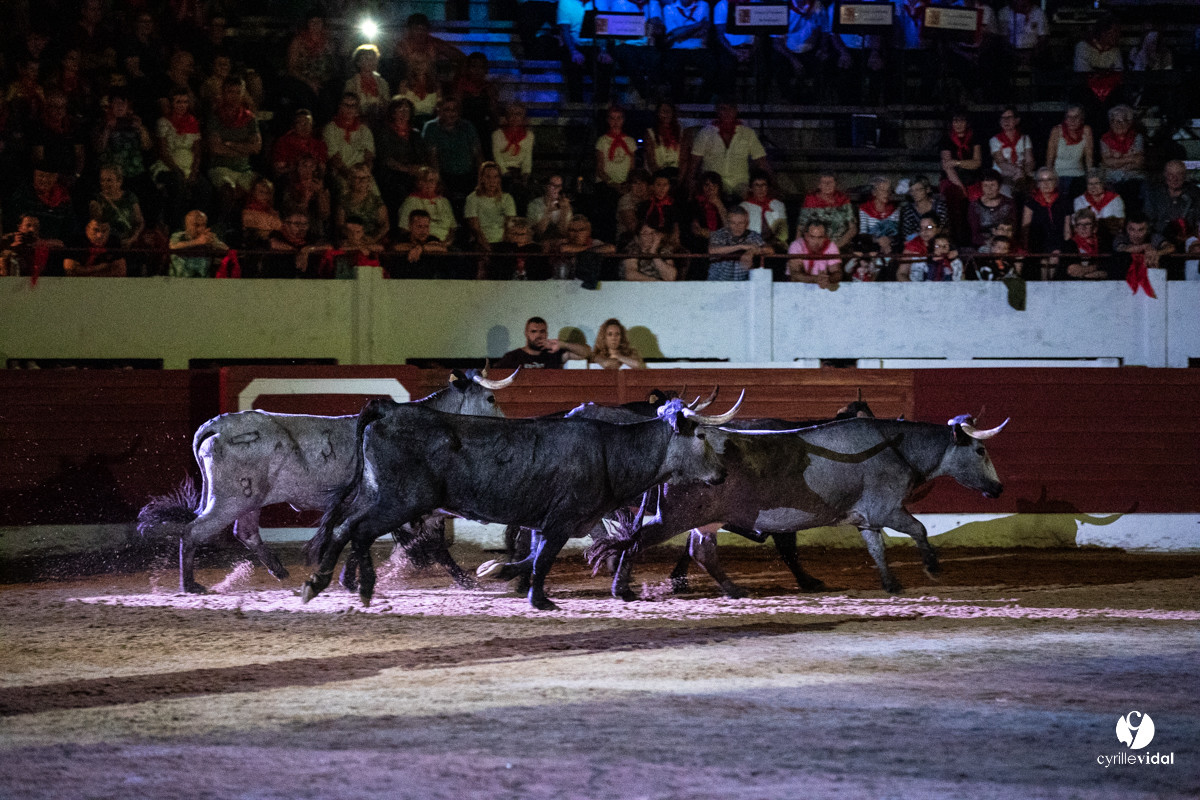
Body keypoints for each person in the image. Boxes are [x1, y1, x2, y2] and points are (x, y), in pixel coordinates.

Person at [151, 88, 206, 228]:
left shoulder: (193, 122)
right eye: (178, 102)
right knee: (177, 184)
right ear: (172, 104)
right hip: (167, 168)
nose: (182, 105)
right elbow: (163, 152)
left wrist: (194, 172)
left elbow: (197, 152)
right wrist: (177, 170)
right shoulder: (163, 122)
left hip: (188, 168)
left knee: (205, 188)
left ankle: (198, 227)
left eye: (185, 102)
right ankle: (176, 226)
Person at [690, 102, 770, 199]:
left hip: (740, 181)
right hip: (713, 181)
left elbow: (761, 160)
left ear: (736, 111)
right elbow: (694, 162)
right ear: (718, 111)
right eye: (723, 108)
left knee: (750, 198)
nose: (727, 112)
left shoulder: (747, 133)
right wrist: (691, 181)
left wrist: (773, 184)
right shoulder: (705, 133)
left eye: (731, 108)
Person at [206, 76, 261, 197]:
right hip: (220, 168)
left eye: (238, 92)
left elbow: (256, 147)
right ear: (223, 93)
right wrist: (244, 150)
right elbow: (215, 148)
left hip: (244, 170)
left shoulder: (249, 118)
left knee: (262, 189)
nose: (234, 96)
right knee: (228, 191)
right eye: (231, 92)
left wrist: (230, 144)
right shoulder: (215, 116)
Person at [422, 98, 483, 204]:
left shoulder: (467, 126)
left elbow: (477, 153)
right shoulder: (431, 127)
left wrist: (481, 178)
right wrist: (439, 180)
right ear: (439, 110)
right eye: (447, 110)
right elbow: (432, 156)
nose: (451, 113)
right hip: (444, 175)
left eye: (454, 110)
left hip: (467, 175)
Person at [376, 98, 428, 210]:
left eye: (407, 109)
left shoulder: (415, 133)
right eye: (400, 109)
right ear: (393, 113)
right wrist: (406, 169)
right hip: (394, 175)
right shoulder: (385, 133)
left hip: (414, 173)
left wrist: (419, 169)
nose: (404, 112)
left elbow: (422, 156)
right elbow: (386, 159)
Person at [1022, 167, 1073, 281]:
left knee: (1055, 258)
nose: (1045, 183)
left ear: (1056, 182)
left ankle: (1052, 287)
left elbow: (1067, 229)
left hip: (1058, 242)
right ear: (1037, 184)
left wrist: (1064, 247)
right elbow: (1025, 229)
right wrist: (1026, 248)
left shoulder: (1064, 201)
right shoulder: (1031, 202)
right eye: (1041, 180)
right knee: (1043, 261)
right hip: (1038, 242)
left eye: (1049, 179)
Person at [659, 0, 714, 102]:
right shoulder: (669, 8)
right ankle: (679, 100)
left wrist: (682, 33)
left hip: (698, 48)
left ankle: (702, 101)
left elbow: (705, 30)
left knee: (712, 65)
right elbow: (673, 33)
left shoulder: (703, 5)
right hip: (677, 48)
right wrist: (696, 26)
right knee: (672, 66)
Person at [323, 93, 375, 195]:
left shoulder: (364, 130)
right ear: (340, 107)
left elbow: (369, 157)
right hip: (342, 174)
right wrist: (351, 178)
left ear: (357, 109)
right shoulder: (330, 129)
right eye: (346, 105)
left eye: (353, 106)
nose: (350, 109)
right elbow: (335, 159)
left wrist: (364, 176)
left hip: (363, 175)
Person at [464, 161, 517, 256]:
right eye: (488, 177)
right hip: (481, 241)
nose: (492, 181)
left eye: (495, 177)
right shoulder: (472, 198)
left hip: (502, 241)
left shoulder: (507, 198)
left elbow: (509, 224)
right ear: (482, 178)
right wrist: (486, 246)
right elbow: (475, 228)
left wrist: (504, 244)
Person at [495, 317, 591, 369]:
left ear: (546, 334)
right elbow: (494, 376)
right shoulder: (512, 357)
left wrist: (562, 344)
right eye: (533, 331)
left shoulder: (554, 354)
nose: (538, 335)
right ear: (526, 333)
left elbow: (586, 354)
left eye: (542, 331)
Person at [1142, 160, 1200, 243]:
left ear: (1185, 175)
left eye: (1179, 174)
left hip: (1189, 238)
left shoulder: (1195, 194)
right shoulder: (1154, 194)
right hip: (1160, 238)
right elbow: (1148, 219)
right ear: (1165, 175)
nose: (1175, 178)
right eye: (1170, 174)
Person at [398, 167, 459, 245]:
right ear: (418, 183)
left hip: (444, 245)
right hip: (421, 244)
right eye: (424, 181)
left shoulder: (444, 201)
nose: (428, 184)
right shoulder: (411, 201)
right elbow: (404, 229)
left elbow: (453, 228)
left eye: (432, 181)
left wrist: (445, 244)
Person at [708, 206, 771, 281]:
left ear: (747, 223)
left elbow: (770, 250)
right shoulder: (719, 234)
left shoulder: (753, 235)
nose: (737, 227)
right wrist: (741, 247)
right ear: (728, 223)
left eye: (741, 223)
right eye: (733, 223)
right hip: (718, 282)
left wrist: (752, 252)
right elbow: (712, 250)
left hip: (743, 284)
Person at [90, 165, 145, 250]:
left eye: (109, 180)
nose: (105, 184)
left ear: (119, 181)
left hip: (129, 242)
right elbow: (96, 226)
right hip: (108, 245)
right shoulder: (97, 199)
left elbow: (139, 222)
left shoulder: (129, 197)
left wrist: (132, 239)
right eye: (102, 180)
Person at [798, 172, 856, 250]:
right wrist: (797, 249)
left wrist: (836, 246)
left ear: (836, 184)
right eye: (824, 182)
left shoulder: (843, 199)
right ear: (819, 185)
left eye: (830, 182)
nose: (827, 185)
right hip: (815, 247)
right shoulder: (811, 199)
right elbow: (801, 226)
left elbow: (852, 228)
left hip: (840, 246)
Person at [335, 165, 390, 248]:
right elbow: (340, 225)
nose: (362, 181)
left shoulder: (376, 201)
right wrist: (355, 238)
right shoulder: (344, 201)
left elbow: (385, 225)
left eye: (364, 178)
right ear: (351, 180)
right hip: (350, 241)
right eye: (357, 178)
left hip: (372, 241)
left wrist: (372, 239)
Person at [1099, 105, 1145, 203]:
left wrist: (1117, 159)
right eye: (1114, 121)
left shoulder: (1137, 137)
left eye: (1121, 121)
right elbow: (1107, 162)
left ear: (1128, 122)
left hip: (1133, 177)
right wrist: (1129, 157)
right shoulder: (1105, 139)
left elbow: (1138, 162)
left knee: (1133, 190)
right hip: (1111, 179)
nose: (1117, 124)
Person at [1045, 105, 1093, 198]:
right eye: (1069, 117)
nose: (1072, 120)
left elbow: (1089, 158)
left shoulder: (1087, 130)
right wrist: (1050, 179)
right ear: (1065, 119)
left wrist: (1090, 178)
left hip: (1078, 176)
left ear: (1082, 119)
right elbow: (1049, 160)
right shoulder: (1057, 131)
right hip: (1059, 175)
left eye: (1076, 117)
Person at [266, 212, 327, 279]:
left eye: (305, 224)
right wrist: (297, 251)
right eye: (297, 224)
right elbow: (273, 244)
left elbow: (329, 246)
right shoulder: (277, 234)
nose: (302, 227)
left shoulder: (310, 236)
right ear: (286, 224)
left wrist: (309, 249)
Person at [392, 209, 450, 279]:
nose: (423, 231)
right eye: (419, 226)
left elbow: (443, 248)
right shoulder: (402, 238)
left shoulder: (432, 239)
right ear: (410, 226)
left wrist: (421, 248)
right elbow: (396, 247)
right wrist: (417, 247)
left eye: (426, 226)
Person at [989, 106, 1034, 197]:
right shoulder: (995, 140)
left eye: (1009, 118)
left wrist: (1023, 172)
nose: (1006, 121)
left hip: (1022, 173)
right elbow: (1001, 163)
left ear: (1016, 120)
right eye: (1003, 118)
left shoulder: (1024, 138)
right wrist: (1017, 171)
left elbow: (1030, 160)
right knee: (1006, 192)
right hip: (1004, 175)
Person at [169, 210, 228, 278]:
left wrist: (214, 243)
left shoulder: (208, 237)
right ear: (187, 225)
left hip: (203, 281)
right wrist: (197, 241)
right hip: (179, 280)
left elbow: (226, 250)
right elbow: (172, 246)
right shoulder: (178, 236)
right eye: (196, 225)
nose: (201, 229)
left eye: (203, 225)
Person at [967, 170, 1016, 249]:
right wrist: (990, 242)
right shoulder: (975, 205)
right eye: (985, 186)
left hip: (1005, 244)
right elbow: (974, 233)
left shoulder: (1009, 203)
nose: (989, 189)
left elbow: (1013, 228)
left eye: (993, 185)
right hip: (983, 245)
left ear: (999, 186)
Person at [271, 109, 328, 178]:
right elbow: (279, 170)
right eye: (299, 123)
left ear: (312, 125)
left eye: (307, 123)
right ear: (293, 126)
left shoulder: (320, 145)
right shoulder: (283, 142)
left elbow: (322, 169)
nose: (303, 126)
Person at [740, 173, 788, 252]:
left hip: (774, 244)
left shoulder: (778, 205)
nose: (760, 188)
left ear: (767, 187)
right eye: (757, 185)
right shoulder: (744, 206)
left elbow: (782, 231)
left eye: (763, 185)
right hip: (751, 244)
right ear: (751, 188)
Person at [1073, 168, 1125, 240]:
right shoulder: (1079, 200)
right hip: (1086, 237)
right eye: (1090, 184)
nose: (1093, 187)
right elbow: (1078, 222)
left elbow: (1120, 222)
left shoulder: (1115, 199)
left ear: (1103, 184)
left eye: (1097, 183)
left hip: (1111, 236)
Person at [787, 220, 841, 288]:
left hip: (822, 287)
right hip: (796, 288)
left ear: (825, 237)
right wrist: (816, 279)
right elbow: (795, 274)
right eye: (812, 237)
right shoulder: (796, 245)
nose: (816, 242)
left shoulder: (831, 246)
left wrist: (828, 279)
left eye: (820, 237)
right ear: (806, 236)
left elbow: (837, 273)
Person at [344, 44, 389, 124]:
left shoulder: (383, 83)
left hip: (380, 122)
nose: (370, 62)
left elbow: (387, 104)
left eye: (373, 59)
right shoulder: (351, 83)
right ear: (358, 62)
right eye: (366, 59)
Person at [857, 175, 901, 257]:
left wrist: (888, 240)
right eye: (882, 190)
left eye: (888, 191)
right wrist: (878, 240)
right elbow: (862, 234)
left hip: (890, 246)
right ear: (874, 193)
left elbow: (896, 233)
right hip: (871, 245)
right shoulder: (864, 209)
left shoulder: (894, 209)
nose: (886, 194)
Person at [1059, 208, 1108, 281]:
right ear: (1075, 228)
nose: (1083, 228)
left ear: (1095, 228)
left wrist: (1084, 272)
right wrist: (1095, 269)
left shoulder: (1102, 244)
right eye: (1079, 224)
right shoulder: (1069, 245)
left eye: (1087, 224)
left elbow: (1107, 270)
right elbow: (1071, 270)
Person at [899, 176, 949, 245]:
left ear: (927, 189)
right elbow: (907, 234)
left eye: (918, 190)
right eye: (912, 191)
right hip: (917, 244)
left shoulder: (940, 206)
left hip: (938, 242)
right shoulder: (908, 210)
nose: (914, 194)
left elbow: (942, 228)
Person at [639, 171, 682, 247]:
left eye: (665, 185)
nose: (662, 188)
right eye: (658, 185)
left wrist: (674, 236)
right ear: (653, 186)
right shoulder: (646, 204)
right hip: (649, 238)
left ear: (669, 186)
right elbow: (642, 223)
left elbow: (676, 224)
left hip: (666, 238)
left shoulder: (673, 204)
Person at [527, 175, 574, 242]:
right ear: (545, 187)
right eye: (553, 185)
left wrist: (564, 211)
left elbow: (564, 232)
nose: (556, 189)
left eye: (559, 186)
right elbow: (537, 231)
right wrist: (548, 212)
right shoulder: (535, 204)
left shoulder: (565, 204)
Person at [645, 102, 684, 176]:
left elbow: (683, 157)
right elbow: (650, 159)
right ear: (658, 113)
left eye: (669, 111)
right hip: (658, 174)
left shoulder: (680, 132)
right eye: (663, 111)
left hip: (676, 173)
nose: (666, 114)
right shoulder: (651, 133)